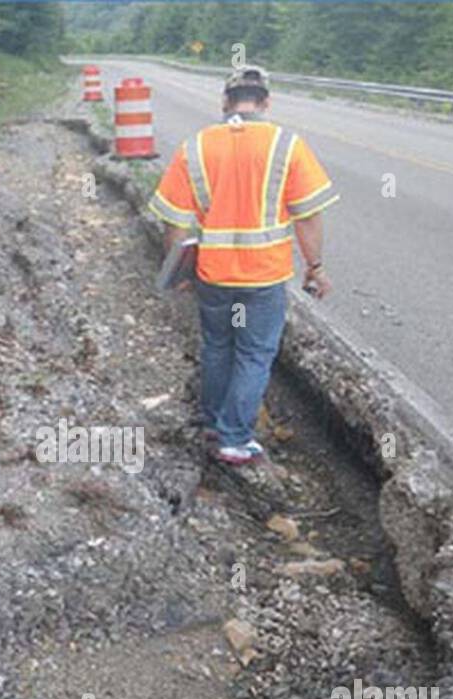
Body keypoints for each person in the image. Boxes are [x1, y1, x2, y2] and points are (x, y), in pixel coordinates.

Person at [149, 66, 338, 466]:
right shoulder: (286, 145)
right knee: (253, 354)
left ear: (225, 102)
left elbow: (175, 220)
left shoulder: (197, 146)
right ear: (266, 102)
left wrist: (180, 270)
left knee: (219, 345)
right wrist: (315, 267)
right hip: (263, 276)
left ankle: (215, 423)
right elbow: (307, 215)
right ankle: (235, 439)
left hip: (215, 277)